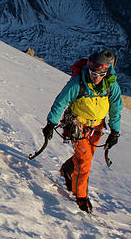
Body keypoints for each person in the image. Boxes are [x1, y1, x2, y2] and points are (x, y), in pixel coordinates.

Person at [41, 51, 122, 212]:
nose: (96, 77)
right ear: (88, 70)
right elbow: (61, 101)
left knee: (86, 157)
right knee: (84, 161)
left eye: (101, 74)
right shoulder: (78, 83)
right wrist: (51, 123)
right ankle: (81, 196)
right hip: (77, 126)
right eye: (93, 73)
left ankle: (67, 170)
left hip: (97, 127)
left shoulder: (112, 86)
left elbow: (116, 109)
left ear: (107, 72)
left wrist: (115, 131)